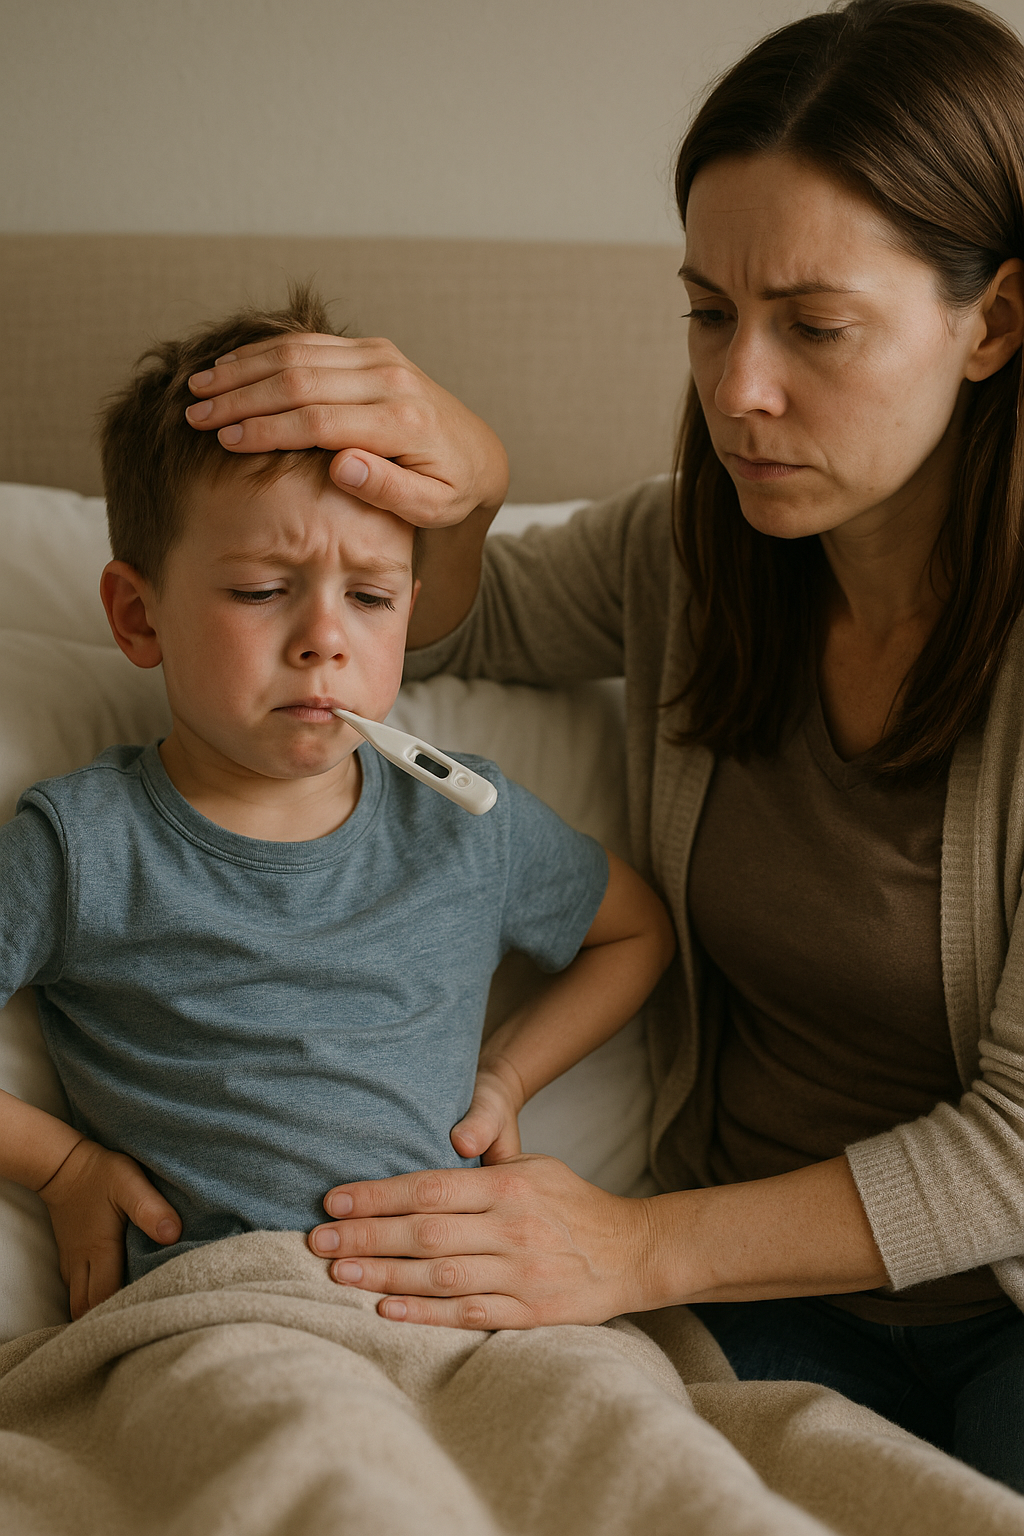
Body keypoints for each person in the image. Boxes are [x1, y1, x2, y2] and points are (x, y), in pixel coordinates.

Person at [180, 0, 1024, 1492]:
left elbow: (1012, 1152)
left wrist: (628, 1244)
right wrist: (474, 484)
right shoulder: (696, 558)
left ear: (995, 322)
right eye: (710, 313)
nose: (739, 391)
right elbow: (445, 630)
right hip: (755, 1311)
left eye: (813, 327)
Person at [0, 290, 675, 1322]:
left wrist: (505, 1079)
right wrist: (61, 1169)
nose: (326, 639)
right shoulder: (83, 845)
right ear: (139, 616)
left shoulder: (465, 817)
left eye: (369, 597)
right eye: (263, 590)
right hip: (229, 1311)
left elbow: (634, 934)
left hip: (459, 1307)